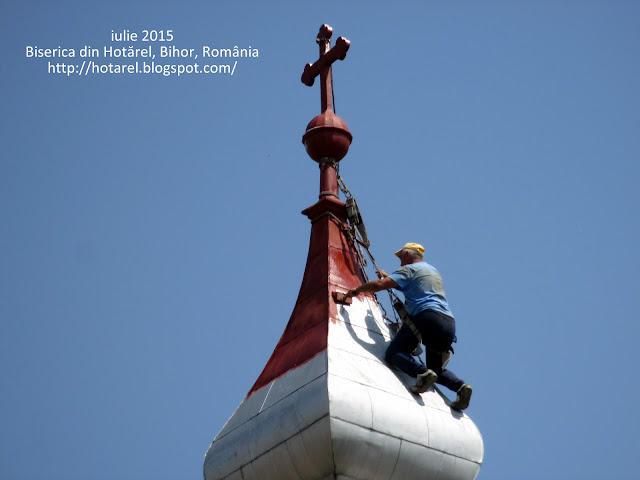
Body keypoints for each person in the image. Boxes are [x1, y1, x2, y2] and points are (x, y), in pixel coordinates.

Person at [343, 242, 472, 410]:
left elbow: (381, 286)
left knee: (395, 352)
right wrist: (390, 276)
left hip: (426, 317)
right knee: (436, 369)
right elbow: (412, 286)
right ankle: (461, 388)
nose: (400, 263)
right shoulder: (431, 271)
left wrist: (357, 290)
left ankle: (421, 374)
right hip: (447, 323)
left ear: (407, 255)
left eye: (401, 258)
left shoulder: (408, 270)